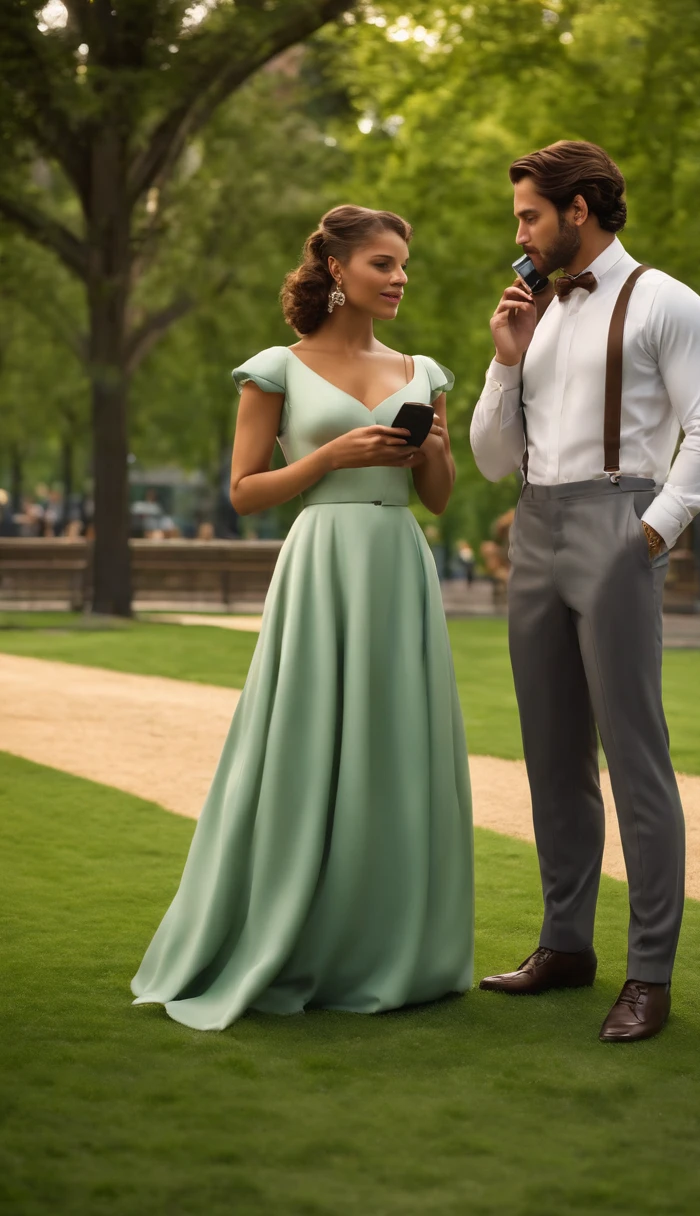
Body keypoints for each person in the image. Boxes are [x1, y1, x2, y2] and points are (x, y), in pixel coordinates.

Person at [132, 205, 474, 1030]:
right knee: (303, 745)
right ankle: (284, 933)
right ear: (335, 268)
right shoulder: (274, 369)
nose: (398, 279)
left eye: (402, 266)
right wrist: (329, 456)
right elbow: (245, 494)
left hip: (398, 565)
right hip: (320, 564)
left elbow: (437, 500)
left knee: (394, 752)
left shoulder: (422, 370)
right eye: (383, 265)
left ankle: (394, 945)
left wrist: (432, 451)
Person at [470, 141, 700, 1042]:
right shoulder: (534, 311)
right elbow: (491, 457)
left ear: (578, 208)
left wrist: (653, 532)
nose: (520, 231)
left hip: (620, 524)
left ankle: (649, 973)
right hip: (535, 527)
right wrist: (507, 360)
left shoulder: (666, 301)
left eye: (529, 215)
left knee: (635, 756)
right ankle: (565, 945)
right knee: (551, 754)